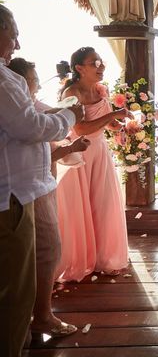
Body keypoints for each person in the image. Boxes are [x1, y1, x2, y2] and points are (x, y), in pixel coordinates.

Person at [0, 5, 82, 356]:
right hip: (12, 193)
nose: (16, 43)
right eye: (13, 33)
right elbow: (29, 128)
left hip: (22, 189)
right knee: (14, 290)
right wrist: (69, 114)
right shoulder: (3, 80)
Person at [7, 58, 91, 341]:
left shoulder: (30, 104)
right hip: (25, 189)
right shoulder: (14, 96)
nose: (35, 84)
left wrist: (69, 118)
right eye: (32, 79)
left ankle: (36, 315)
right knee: (44, 252)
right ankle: (38, 317)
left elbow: (47, 121)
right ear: (19, 80)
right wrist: (70, 116)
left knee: (41, 253)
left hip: (37, 186)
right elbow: (38, 129)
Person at [55, 47, 130, 281]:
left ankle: (104, 257)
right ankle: (81, 260)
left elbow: (106, 124)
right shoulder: (72, 92)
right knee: (82, 208)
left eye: (101, 62)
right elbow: (79, 129)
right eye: (94, 63)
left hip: (100, 153)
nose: (101, 66)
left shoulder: (100, 90)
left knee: (103, 203)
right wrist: (113, 116)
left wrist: (125, 126)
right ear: (79, 68)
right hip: (79, 154)